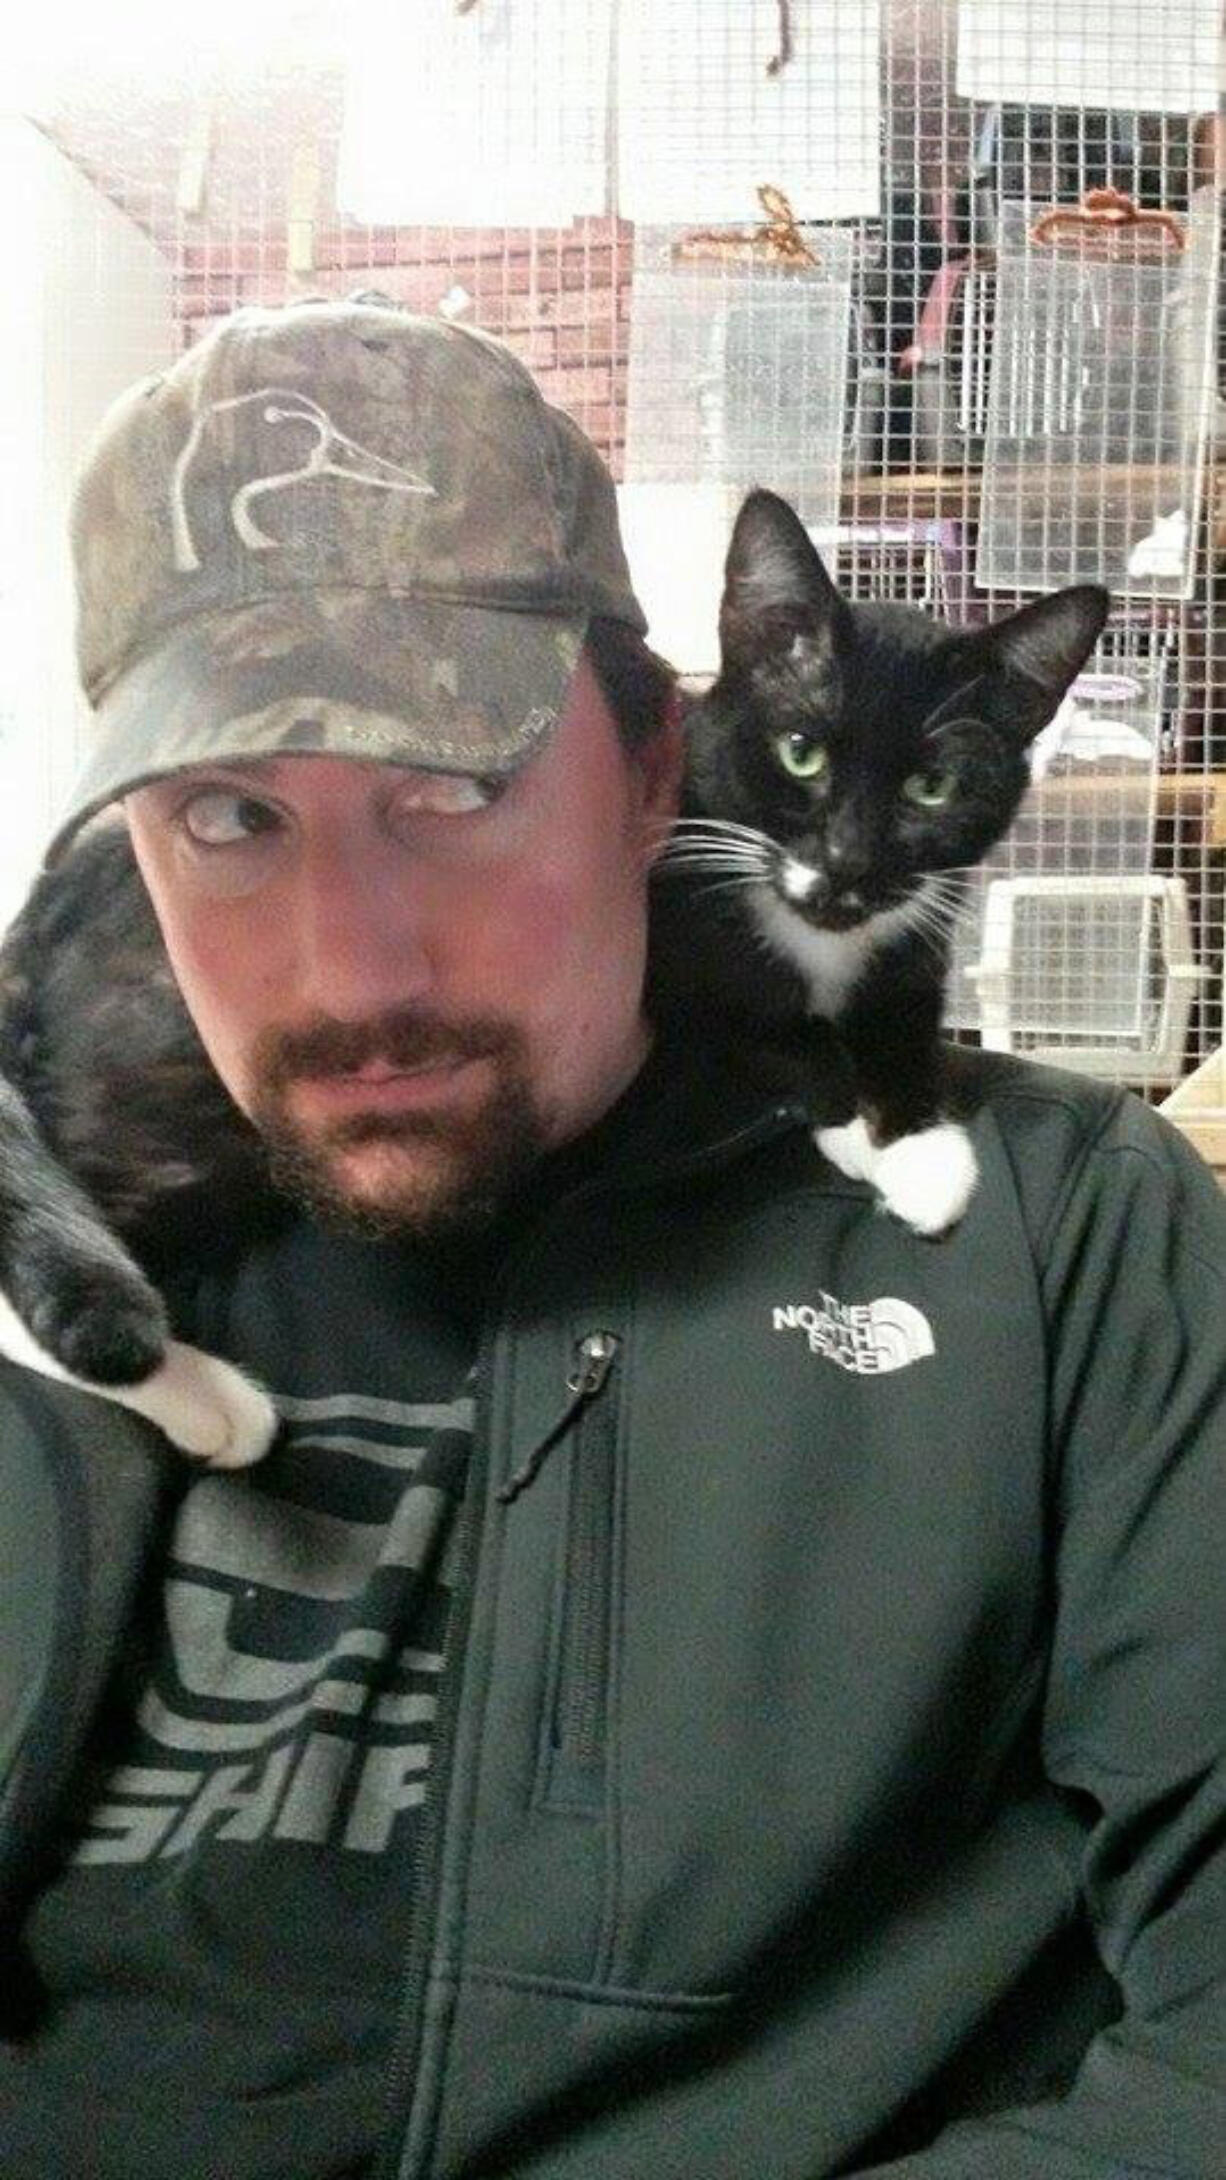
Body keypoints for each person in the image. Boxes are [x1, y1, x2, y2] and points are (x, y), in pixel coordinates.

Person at [0, 292, 1223, 2180]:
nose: (353, 967)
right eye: (231, 817)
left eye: (460, 791)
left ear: (659, 764)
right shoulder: (72, 1228)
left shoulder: (1066, 1244)